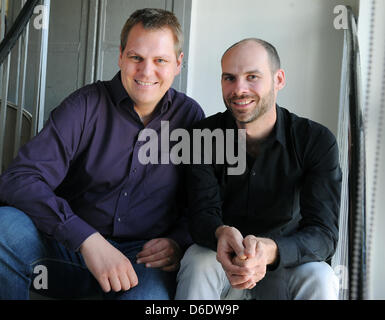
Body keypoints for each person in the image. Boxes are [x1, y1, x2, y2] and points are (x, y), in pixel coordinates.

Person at [0, 8, 204, 300]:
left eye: (160, 60)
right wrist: (85, 238)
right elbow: (19, 178)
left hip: (141, 262)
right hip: (69, 249)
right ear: (120, 56)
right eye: (136, 58)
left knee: (147, 300)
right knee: (4, 229)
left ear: (178, 64)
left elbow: (202, 199)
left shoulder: (191, 116)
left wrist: (178, 241)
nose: (146, 71)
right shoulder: (84, 105)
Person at [175, 38, 342, 300]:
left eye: (252, 77)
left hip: (285, 261)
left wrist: (271, 250)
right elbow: (201, 213)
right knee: (198, 261)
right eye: (229, 78)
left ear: (279, 80)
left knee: (321, 276)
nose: (239, 89)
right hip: (221, 259)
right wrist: (220, 233)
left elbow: (323, 234)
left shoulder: (316, 140)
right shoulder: (202, 135)